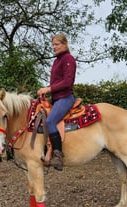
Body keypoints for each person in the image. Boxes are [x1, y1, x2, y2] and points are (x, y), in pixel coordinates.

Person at [37, 33, 76, 171]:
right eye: (53, 44)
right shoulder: (57, 61)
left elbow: (67, 82)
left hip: (65, 98)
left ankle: (58, 156)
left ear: (64, 44)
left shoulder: (68, 59)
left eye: (57, 44)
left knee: (50, 122)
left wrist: (48, 89)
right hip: (56, 98)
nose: (54, 47)